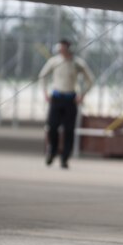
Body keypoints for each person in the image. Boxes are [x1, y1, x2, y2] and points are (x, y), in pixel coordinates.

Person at [38, 38, 94, 169]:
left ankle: (65, 157)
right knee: (52, 127)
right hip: (56, 98)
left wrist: (82, 94)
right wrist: (45, 92)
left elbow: (90, 79)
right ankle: (52, 151)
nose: (61, 51)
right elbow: (42, 75)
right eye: (60, 48)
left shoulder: (77, 63)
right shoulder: (54, 61)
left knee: (69, 130)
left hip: (71, 99)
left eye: (63, 48)